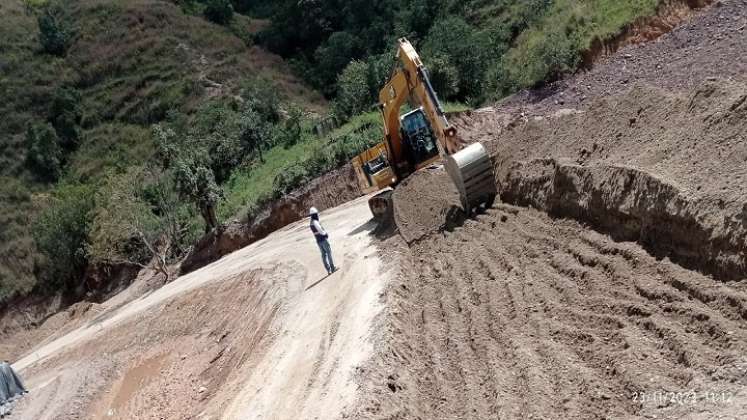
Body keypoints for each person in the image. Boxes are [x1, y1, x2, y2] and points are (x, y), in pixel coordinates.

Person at [309, 207, 337, 275]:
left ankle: (328, 270)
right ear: (315, 214)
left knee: (323, 255)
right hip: (323, 239)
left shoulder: (311, 222)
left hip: (318, 241)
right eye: (316, 214)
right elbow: (320, 230)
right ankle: (332, 268)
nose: (317, 215)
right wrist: (325, 234)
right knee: (329, 253)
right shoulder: (315, 221)